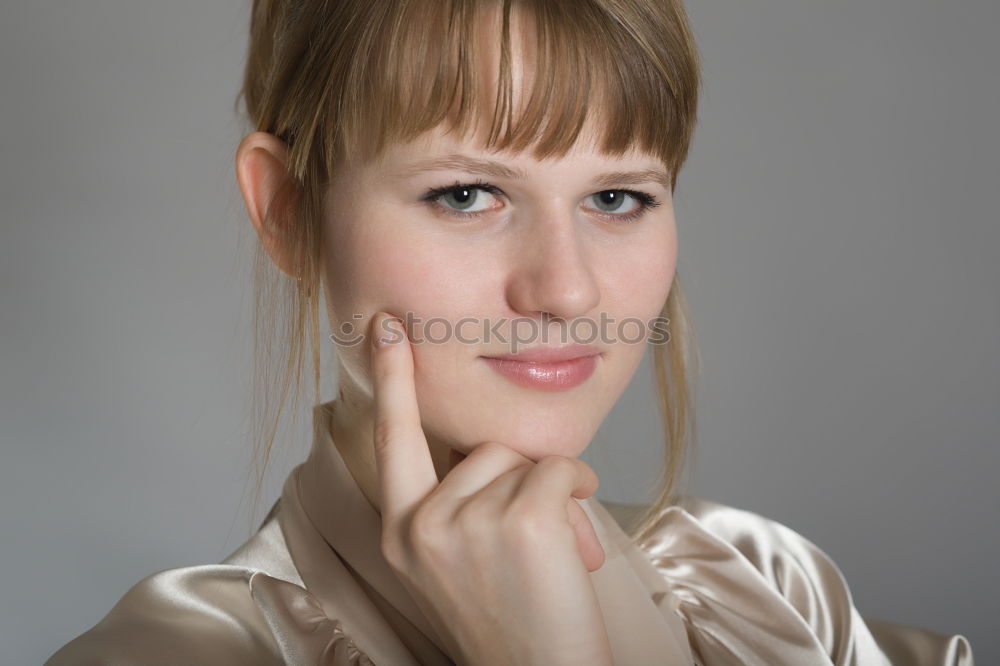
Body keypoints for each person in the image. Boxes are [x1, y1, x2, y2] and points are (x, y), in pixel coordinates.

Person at [45, 0, 975, 664]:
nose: (566, 290)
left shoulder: (770, 591)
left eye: (618, 197)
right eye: (467, 194)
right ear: (288, 212)